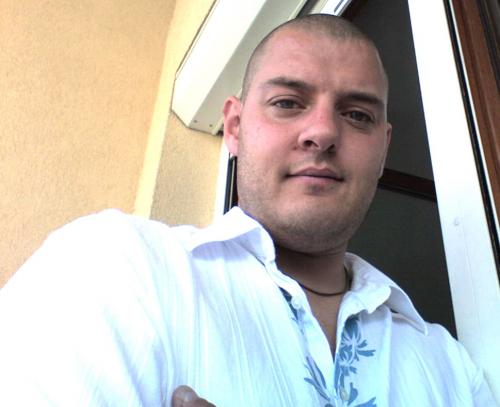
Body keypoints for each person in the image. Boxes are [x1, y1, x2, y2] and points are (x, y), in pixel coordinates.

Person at [0, 14, 496, 407]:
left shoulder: (450, 369)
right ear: (234, 128)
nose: (323, 132)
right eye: (288, 102)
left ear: (383, 149)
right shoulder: (115, 268)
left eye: (357, 114)